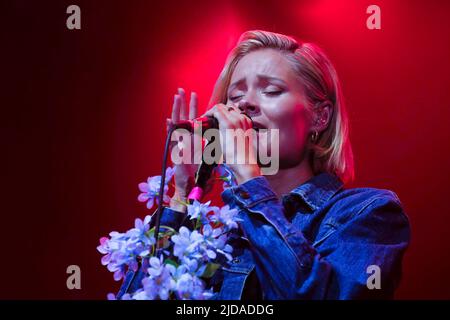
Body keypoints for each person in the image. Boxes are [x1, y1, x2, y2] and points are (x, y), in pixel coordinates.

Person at [117, 30, 410, 299]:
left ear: (319, 117)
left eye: (270, 91)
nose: (245, 104)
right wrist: (182, 195)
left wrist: (248, 179)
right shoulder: (214, 233)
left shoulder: (368, 213)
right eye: (235, 96)